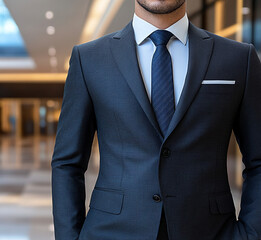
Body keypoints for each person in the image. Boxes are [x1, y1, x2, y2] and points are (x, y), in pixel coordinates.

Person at [50, 0, 261, 239]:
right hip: (110, 231)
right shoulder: (88, 59)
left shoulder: (238, 58)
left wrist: (251, 234)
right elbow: (67, 163)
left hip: (210, 231)